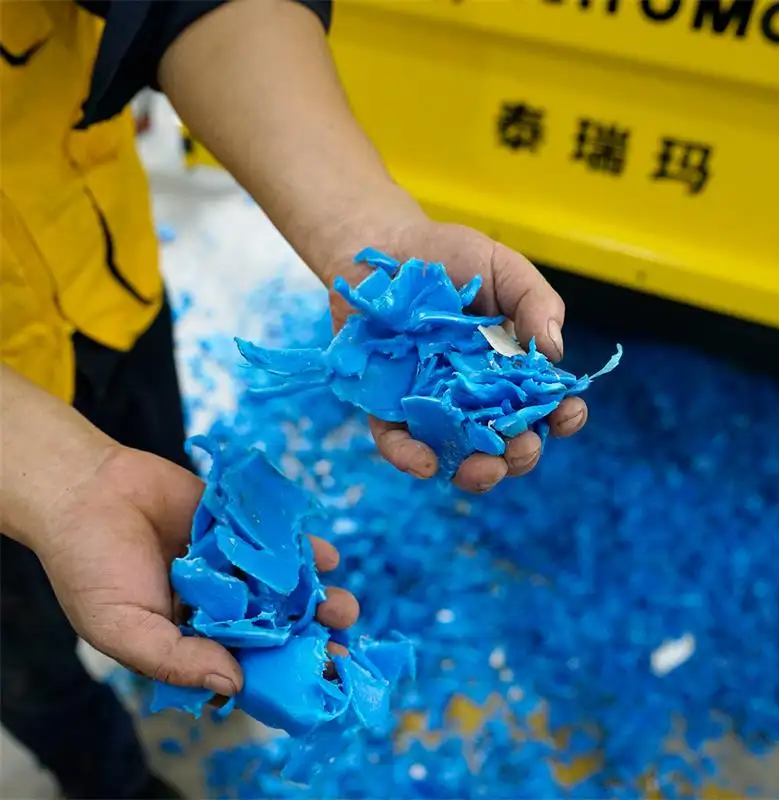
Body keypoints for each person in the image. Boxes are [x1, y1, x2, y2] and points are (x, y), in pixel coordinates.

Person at [0, 1, 589, 797]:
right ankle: (107, 775)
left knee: (166, 512)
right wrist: (58, 483)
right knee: (23, 657)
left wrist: (367, 230)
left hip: (100, 282)